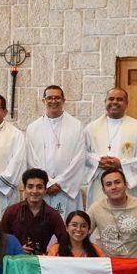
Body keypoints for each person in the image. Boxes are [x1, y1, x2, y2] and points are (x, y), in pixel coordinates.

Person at [82, 88, 137, 206]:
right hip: (99, 187)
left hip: (127, 185)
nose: (114, 102)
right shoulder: (91, 128)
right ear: (105, 101)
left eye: (119, 99)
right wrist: (97, 160)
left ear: (126, 103)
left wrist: (121, 164)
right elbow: (81, 154)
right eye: (111, 99)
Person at [24, 85, 88, 217]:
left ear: (64, 100)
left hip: (67, 190)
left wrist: (60, 183)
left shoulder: (76, 126)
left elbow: (79, 158)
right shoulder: (33, 128)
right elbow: (31, 158)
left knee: (69, 228)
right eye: (50, 98)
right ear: (43, 101)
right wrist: (47, 183)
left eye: (57, 98)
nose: (54, 101)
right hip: (43, 191)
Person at [86, 169, 137, 258]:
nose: (114, 187)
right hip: (109, 266)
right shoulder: (95, 208)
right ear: (104, 190)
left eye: (117, 182)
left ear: (126, 185)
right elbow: (82, 236)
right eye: (108, 184)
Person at [0, 168, 68, 254]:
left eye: (39, 187)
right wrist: (17, 249)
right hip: (15, 261)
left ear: (45, 190)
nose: (34, 191)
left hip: (41, 263)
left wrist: (52, 252)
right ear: (24, 188)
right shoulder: (11, 212)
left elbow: (64, 240)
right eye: (30, 187)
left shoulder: (53, 215)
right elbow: (1, 240)